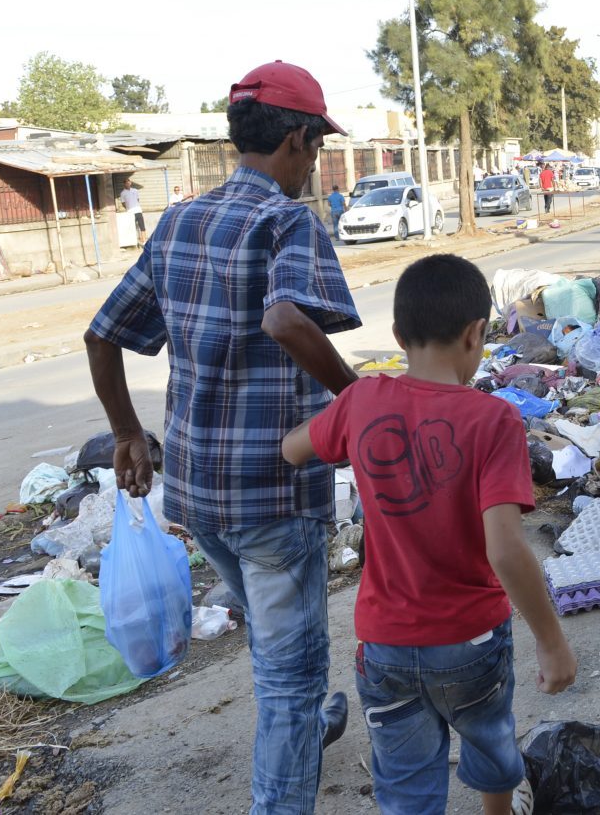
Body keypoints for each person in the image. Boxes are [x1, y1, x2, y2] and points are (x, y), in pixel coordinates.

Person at [84, 61, 359, 814]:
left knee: (279, 650)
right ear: (296, 140)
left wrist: (127, 433)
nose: (313, 165)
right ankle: (286, 776)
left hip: (200, 495)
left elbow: (102, 335)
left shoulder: (179, 220)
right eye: (314, 148)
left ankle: (307, 726)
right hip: (272, 496)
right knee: (290, 676)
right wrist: (360, 401)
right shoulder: (287, 221)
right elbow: (287, 319)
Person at [281, 254, 577, 814]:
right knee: (490, 739)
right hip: (469, 643)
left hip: (385, 645)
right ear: (476, 335)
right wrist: (551, 640)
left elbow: (294, 449)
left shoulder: (361, 401)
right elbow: (506, 547)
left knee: (406, 788)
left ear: (397, 335)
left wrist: (345, 416)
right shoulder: (494, 420)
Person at [119, 177, 146, 245]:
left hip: (138, 210)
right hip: (130, 212)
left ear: (130, 183)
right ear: (124, 184)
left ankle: (144, 241)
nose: (127, 183)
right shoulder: (123, 193)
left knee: (142, 226)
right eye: (126, 183)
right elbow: (123, 203)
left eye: (129, 182)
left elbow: (137, 199)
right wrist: (128, 208)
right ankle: (135, 241)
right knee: (132, 227)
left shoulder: (135, 190)